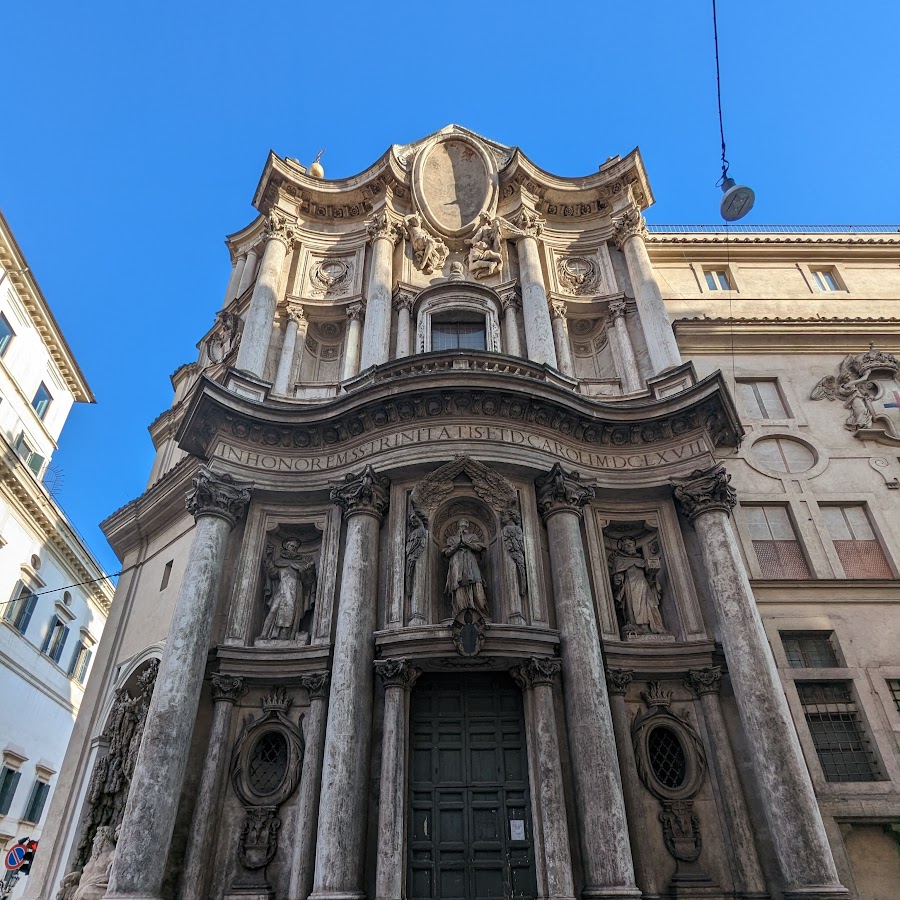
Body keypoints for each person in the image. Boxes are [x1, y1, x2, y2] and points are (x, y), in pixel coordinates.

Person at [259, 539, 317, 641]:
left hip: (295, 591)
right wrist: (270, 557)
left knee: (291, 613)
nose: (294, 549)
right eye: (292, 546)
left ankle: (285, 636)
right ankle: (265, 634)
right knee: (273, 610)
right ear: (286, 546)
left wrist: (305, 571)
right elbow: (272, 574)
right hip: (281, 590)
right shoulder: (280, 562)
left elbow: (306, 582)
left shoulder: (301, 563)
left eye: (295, 548)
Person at [610, 537, 664, 634]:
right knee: (634, 609)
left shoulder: (641, 560)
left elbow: (650, 581)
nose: (629, 546)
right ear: (622, 548)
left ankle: (653, 627)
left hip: (644, 586)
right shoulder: (619, 560)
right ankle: (637, 627)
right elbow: (618, 578)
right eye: (626, 545)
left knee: (652, 606)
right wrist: (617, 579)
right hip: (630, 586)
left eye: (630, 544)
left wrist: (652, 574)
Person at [443, 519, 490, 618]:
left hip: (471, 563)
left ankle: (480, 611)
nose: (463, 527)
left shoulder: (473, 537)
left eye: (465, 525)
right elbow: (447, 553)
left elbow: (479, 548)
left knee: (477, 586)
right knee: (458, 587)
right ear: (458, 526)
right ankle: (461, 612)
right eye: (461, 525)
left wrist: (466, 543)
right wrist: (457, 545)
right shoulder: (451, 539)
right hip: (457, 563)